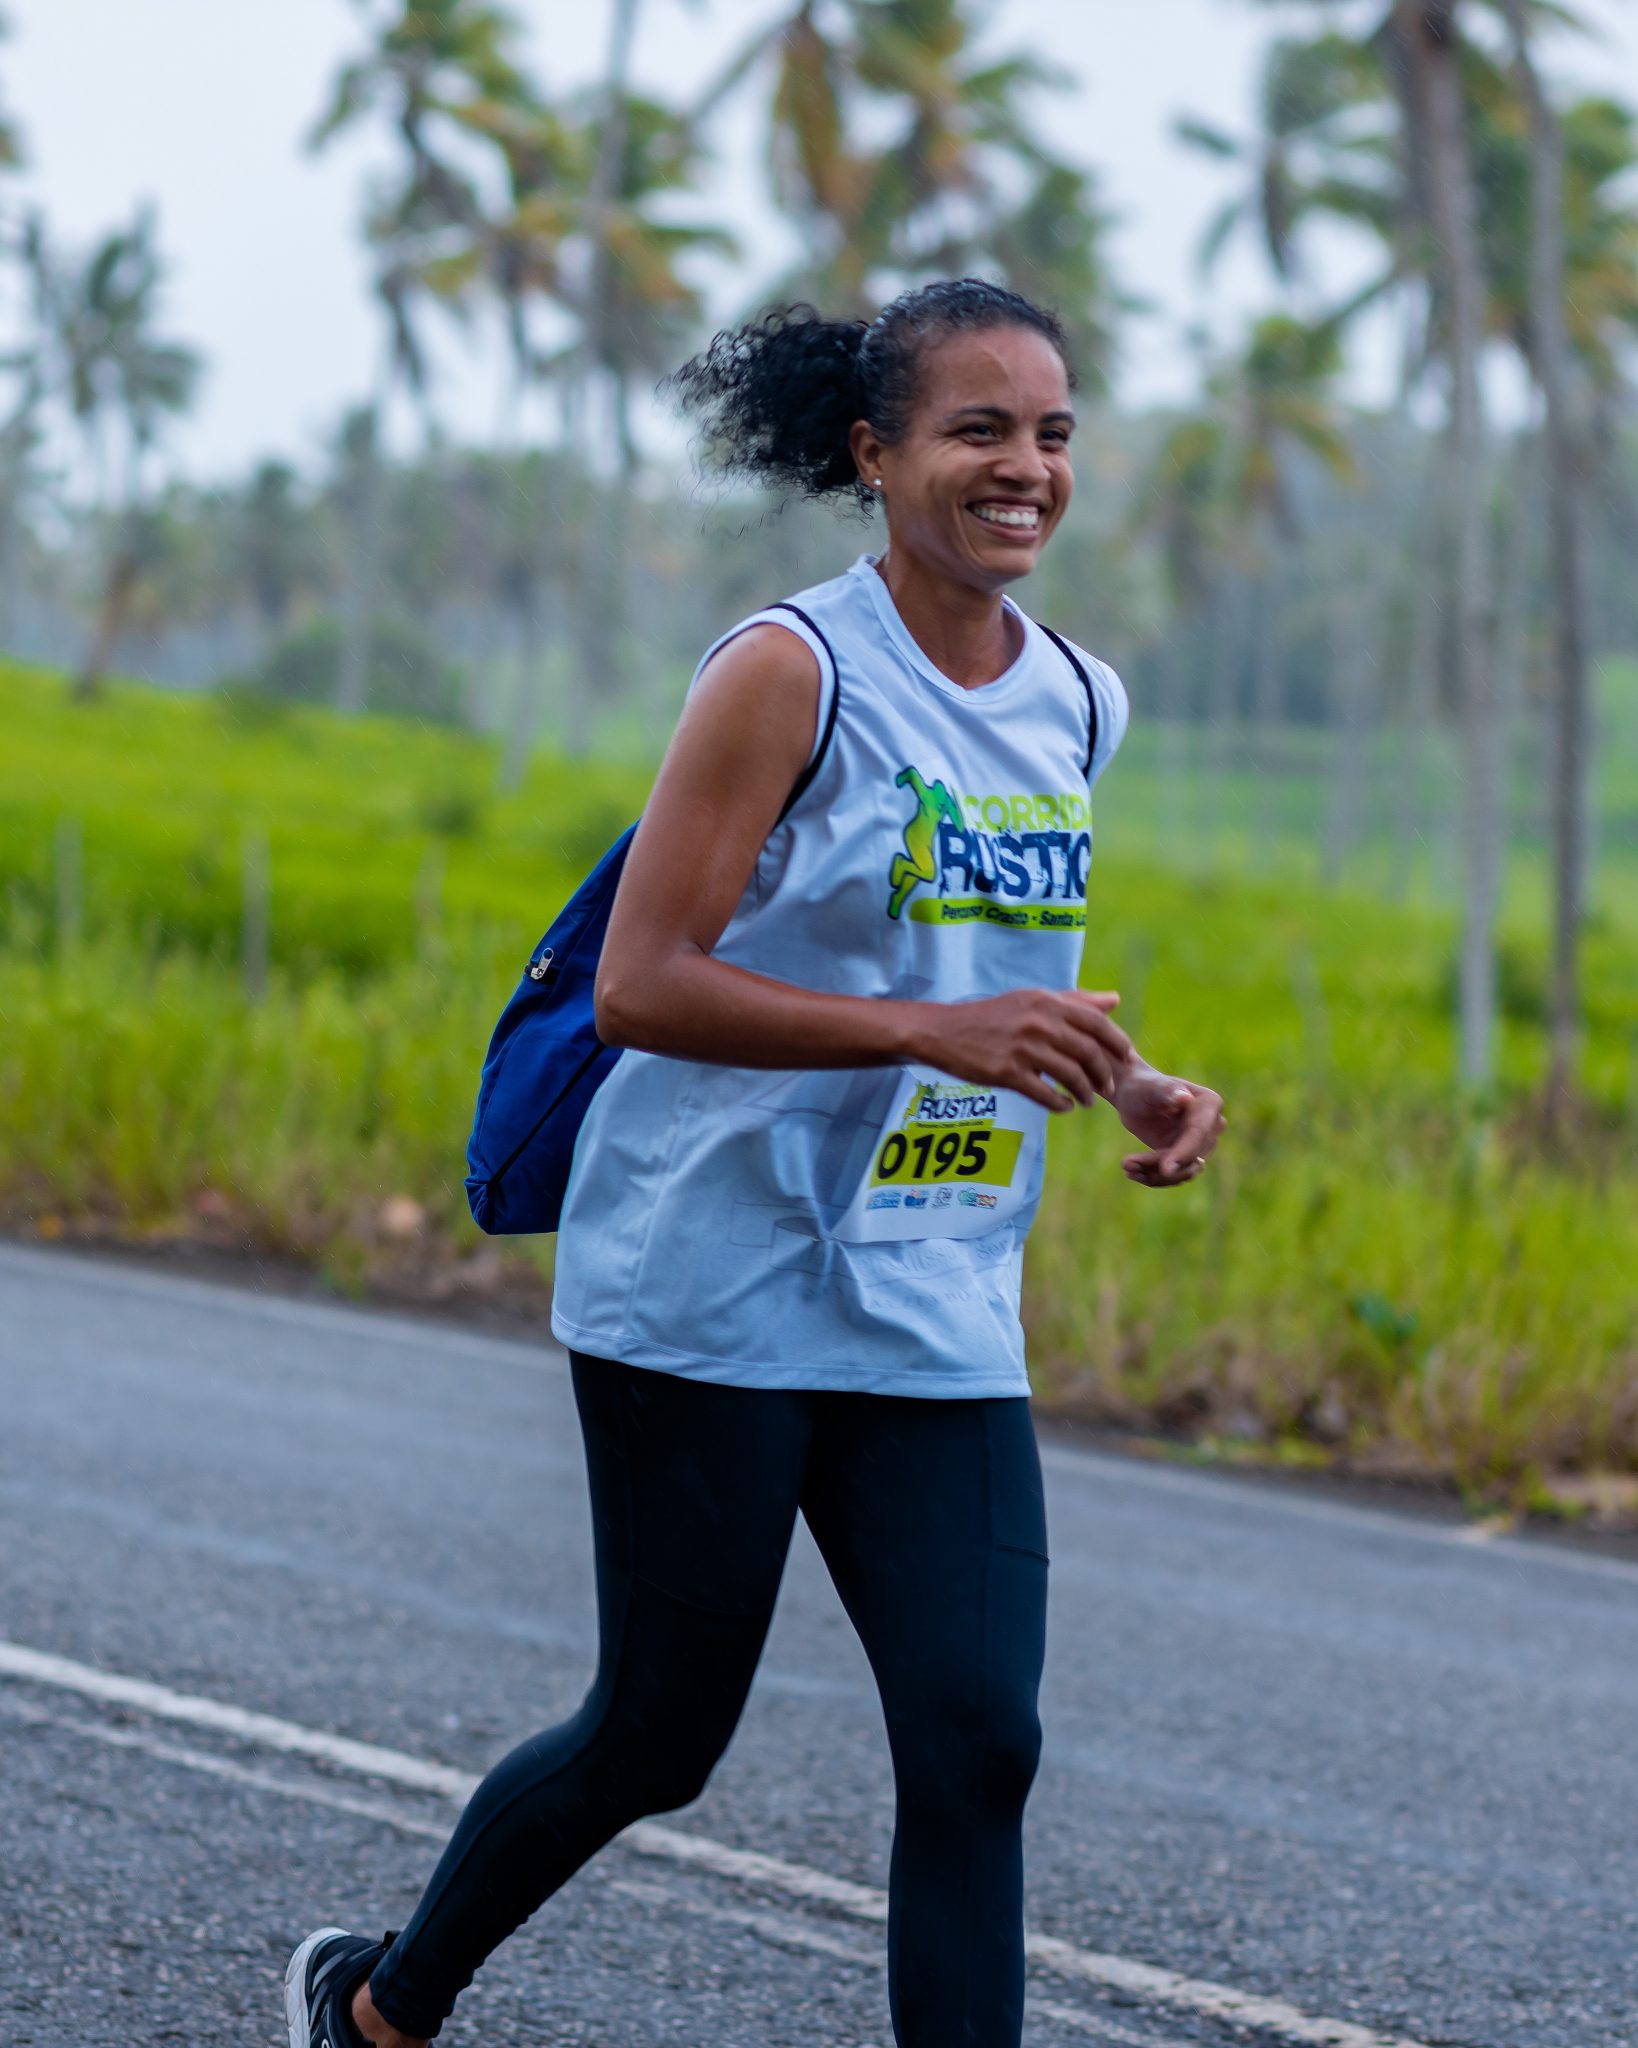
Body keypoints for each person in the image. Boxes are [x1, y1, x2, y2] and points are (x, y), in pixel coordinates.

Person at [286, 278, 1225, 2048]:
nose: (1024, 468)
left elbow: (964, 973)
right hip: (708, 1277)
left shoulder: (1077, 701)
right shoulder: (788, 671)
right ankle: (380, 2008)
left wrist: (1119, 1075)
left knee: (979, 1742)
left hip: (930, 1283)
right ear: (872, 453)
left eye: (1050, 433)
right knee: (657, 1735)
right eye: (976, 430)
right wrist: (929, 1035)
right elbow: (642, 983)